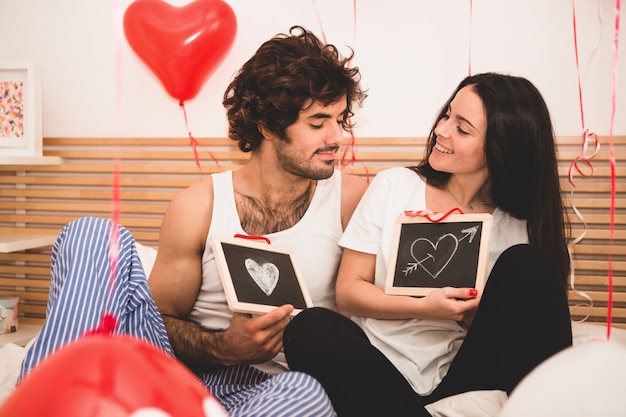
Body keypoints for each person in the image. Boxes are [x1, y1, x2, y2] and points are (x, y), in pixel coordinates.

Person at [20, 25, 367, 417]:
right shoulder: (198, 205)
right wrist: (225, 348)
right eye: (319, 123)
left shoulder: (352, 200)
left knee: (304, 394)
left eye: (342, 119)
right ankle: (50, 400)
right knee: (93, 234)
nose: (338, 137)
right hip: (182, 373)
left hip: (269, 392)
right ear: (268, 126)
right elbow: (160, 319)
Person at [283, 72, 573, 417]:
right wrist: (424, 307)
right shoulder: (395, 186)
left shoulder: (520, 226)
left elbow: (527, 333)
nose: (441, 130)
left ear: (501, 147)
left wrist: (470, 313)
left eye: (462, 128)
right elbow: (348, 292)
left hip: (463, 372)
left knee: (531, 264)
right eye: (447, 115)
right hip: (381, 372)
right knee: (308, 327)